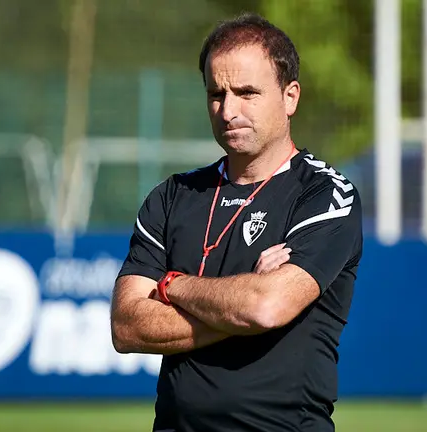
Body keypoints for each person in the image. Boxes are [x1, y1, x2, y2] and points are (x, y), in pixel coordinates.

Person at [110, 12, 363, 432]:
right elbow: (126, 326)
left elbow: (266, 306)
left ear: (290, 97)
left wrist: (174, 285)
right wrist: (239, 306)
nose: (228, 111)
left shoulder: (325, 194)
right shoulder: (173, 196)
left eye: (247, 93)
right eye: (216, 94)